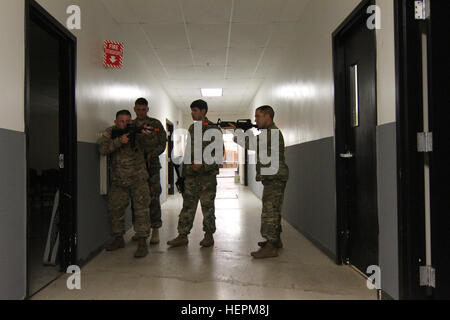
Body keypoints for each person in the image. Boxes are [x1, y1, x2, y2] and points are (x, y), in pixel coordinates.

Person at [97, 110, 157, 258]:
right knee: (115, 209)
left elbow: (151, 146)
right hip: (119, 180)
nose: (124, 123)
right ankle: (118, 239)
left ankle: (142, 241)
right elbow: (102, 149)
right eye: (121, 121)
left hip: (138, 179)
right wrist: (119, 141)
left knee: (142, 210)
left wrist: (146, 135)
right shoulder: (111, 132)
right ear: (116, 121)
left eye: (127, 121)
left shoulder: (137, 132)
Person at [232, 106, 289, 259]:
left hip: (275, 178)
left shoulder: (272, 133)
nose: (255, 120)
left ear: (267, 116)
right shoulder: (269, 133)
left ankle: (270, 246)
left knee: (269, 212)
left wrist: (236, 131)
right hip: (273, 177)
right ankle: (275, 241)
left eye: (258, 116)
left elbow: (250, 143)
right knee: (273, 209)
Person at [167, 100, 222, 248]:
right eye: (191, 110)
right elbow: (188, 151)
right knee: (188, 206)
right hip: (191, 176)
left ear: (204, 111)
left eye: (195, 110)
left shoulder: (214, 130)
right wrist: (184, 174)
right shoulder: (192, 128)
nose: (192, 113)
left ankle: (209, 236)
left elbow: (219, 155)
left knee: (207, 207)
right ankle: (182, 235)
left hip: (207, 177)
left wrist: (203, 164)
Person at [130, 98, 168, 245]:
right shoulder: (131, 125)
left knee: (153, 196)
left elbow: (162, 142)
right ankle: (140, 231)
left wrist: (153, 153)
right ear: (134, 109)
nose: (141, 112)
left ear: (147, 109)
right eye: (138, 109)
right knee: (137, 199)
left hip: (151, 166)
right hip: (135, 167)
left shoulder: (155, 124)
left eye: (143, 109)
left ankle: (155, 229)